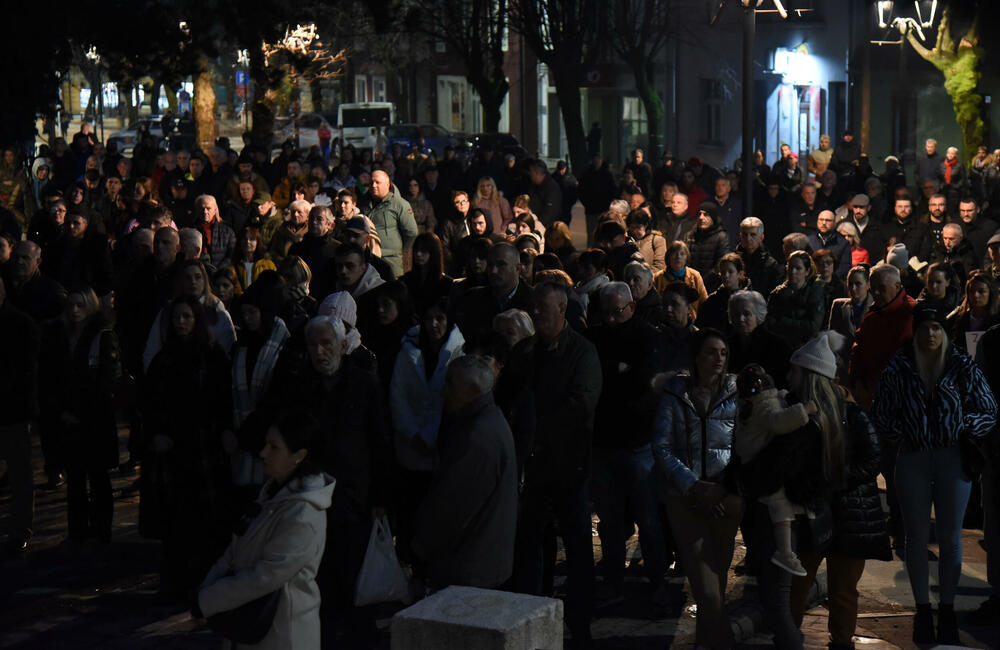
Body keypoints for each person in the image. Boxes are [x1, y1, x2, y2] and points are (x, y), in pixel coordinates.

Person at [873, 302, 997, 644]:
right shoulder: (900, 365)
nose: (931, 333)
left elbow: (988, 408)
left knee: (950, 536)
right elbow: (881, 411)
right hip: (912, 457)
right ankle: (922, 610)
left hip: (952, 457)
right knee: (915, 535)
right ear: (917, 330)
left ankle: (946, 609)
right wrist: (902, 434)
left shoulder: (959, 364)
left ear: (943, 332)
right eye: (925, 327)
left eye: (936, 328)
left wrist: (963, 427)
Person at [196, 411, 335, 650]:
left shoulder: (303, 513)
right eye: (266, 444)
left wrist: (208, 599)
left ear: (299, 456)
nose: (263, 453)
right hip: (252, 628)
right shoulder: (272, 494)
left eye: (274, 447)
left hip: (282, 635)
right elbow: (236, 547)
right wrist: (207, 588)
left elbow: (265, 576)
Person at [514, 281, 601, 646]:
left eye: (542, 308)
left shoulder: (582, 353)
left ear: (562, 309)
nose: (536, 314)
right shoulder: (526, 351)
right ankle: (533, 615)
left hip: (568, 466)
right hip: (534, 469)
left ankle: (580, 623)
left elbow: (581, 406)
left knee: (578, 547)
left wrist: (538, 431)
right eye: (533, 307)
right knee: (532, 545)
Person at [654, 328, 742, 650]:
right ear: (696, 356)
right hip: (685, 499)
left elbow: (743, 446)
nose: (718, 359)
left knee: (716, 583)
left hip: (726, 498)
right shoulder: (677, 391)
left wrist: (721, 488)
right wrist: (693, 486)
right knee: (705, 589)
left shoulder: (736, 391)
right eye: (710, 352)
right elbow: (662, 446)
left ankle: (705, 644)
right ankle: (725, 642)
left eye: (723, 353)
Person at [142, 295, 233, 598]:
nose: (181, 322)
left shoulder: (211, 355)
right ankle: (177, 580)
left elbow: (221, 400)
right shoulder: (164, 359)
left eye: (186, 317)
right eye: (176, 317)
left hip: (204, 445)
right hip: (174, 448)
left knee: (207, 517)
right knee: (177, 518)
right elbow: (151, 403)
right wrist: (156, 433)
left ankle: (206, 579)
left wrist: (221, 432)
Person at [587, 282, 669, 607]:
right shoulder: (595, 337)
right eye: (605, 313)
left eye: (616, 312)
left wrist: (621, 376)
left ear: (631, 308)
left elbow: (645, 383)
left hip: (638, 441)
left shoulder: (647, 337)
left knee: (649, 517)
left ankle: (657, 579)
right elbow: (598, 379)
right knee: (609, 519)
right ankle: (613, 578)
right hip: (604, 442)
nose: (610, 320)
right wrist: (616, 371)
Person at [411, 355, 519, 589]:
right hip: (480, 562)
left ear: (472, 389)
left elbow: (452, 506)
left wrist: (421, 546)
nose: (443, 391)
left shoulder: (477, 436)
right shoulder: (485, 422)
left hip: (470, 567)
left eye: (450, 383)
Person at [40, 287, 121, 549]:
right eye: (71, 305)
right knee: (76, 479)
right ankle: (78, 530)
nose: (75, 311)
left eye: (80, 305)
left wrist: (83, 412)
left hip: (94, 419)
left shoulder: (101, 336)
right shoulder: (61, 337)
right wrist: (62, 410)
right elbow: (54, 377)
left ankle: (100, 531)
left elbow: (107, 380)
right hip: (71, 418)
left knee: (97, 477)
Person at [389, 297, 465, 561]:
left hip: (440, 449)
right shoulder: (407, 351)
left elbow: (451, 401)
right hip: (410, 449)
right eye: (429, 318)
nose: (434, 325)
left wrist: (431, 435)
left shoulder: (458, 353)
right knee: (410, 512)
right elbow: (398, 398)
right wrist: (412, 433)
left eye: (440, 318)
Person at [734, 364, 816, 576]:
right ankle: (785, 552)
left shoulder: (749, 405)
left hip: (753, 464)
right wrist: (804, 410)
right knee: (780, 508)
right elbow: (780, 422)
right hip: (763, 468)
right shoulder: (765, 405)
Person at [0, 277, 39, 554]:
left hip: (11, 408)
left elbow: (27, 370)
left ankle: (20, 528)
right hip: (10, 405)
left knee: (19, 472)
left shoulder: (20, 324)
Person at [728, 289, 792, 388]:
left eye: (747, 314)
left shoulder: (777, 346)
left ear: (758, 316)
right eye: (736, 314)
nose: (741, 319)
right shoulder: (726, 345)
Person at [765, 250, 826, 349]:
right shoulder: (777, 294)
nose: (793, 271)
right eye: (791, 267)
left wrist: (783, 321)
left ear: (807, 271)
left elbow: (813, 327)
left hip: (806, 347)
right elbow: (770, 323)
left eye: (798, 268)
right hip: (780, 347)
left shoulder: (815, 293)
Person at [368, 169, 418, 277]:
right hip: (369, 262)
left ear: (387, 184)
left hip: (391, 261)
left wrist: (400, 250)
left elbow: (411, 232)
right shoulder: (364, 203)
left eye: (377, 182)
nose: (373, 185)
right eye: (371, 182)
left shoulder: (399, 204)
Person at [697, 253, 746, 332]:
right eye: (723, 272)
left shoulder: (749, 299)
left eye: (730, 272)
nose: (726, 275)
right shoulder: (713, 300)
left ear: (739, 274)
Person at [737, 217, 783, 298]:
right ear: (740, 236)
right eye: (745, 234)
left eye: (753, 235)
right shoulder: (733, 261)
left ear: (761, 237)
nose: (748, 238)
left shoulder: (770, 264)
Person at [685, 201, 730, 280]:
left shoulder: (721, 237)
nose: (701, 217)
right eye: (699, 214)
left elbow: (720, 264)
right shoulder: (690, 236)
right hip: (691, 282)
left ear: (713, 218)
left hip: (711, 284)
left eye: (706, 214)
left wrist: (703, 280)